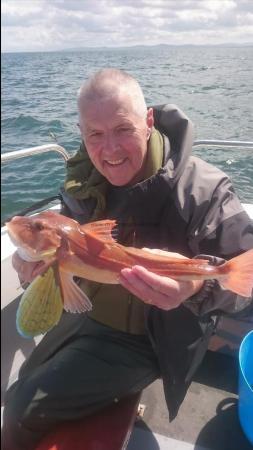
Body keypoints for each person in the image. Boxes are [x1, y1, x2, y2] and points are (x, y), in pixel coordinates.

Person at [2, 68, 253, 450]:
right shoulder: (84, 182)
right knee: (22, 386)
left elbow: (245, 287)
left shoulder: (205, 191)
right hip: (88, 315)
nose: (110, 150)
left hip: (152, 337)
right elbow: (63, 249)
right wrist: (30, 267)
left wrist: (194, 287)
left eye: (123, 129)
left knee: (22, 408)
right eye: (95, 135)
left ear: (148, 121)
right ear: (81, 133)